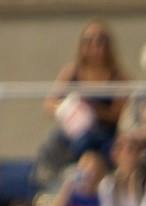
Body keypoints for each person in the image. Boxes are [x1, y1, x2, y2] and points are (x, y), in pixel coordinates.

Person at [40, 21, 128, 172]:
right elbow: (49, 103)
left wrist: (94, 110)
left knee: (84, 143)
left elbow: (119, 113)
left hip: (103, 133)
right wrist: (69, 108)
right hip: (74, 130)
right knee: (51, 145)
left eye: (100, 40)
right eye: (88, 41)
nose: (95, 46)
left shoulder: (118, 77)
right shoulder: (72, 72)